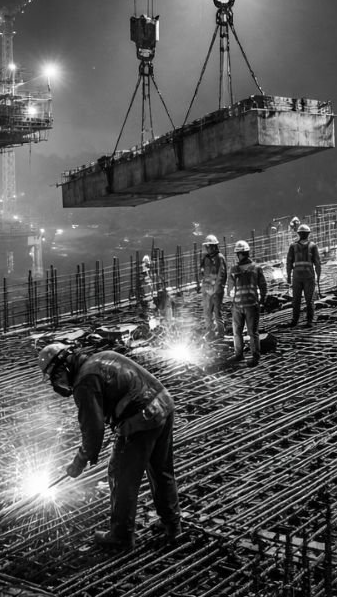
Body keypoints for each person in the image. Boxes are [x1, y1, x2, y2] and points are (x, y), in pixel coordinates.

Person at [41, 344, 179, 550]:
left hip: (140, 420)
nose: (60, 385)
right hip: (164, 405)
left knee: (120, 476)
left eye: (57, 378)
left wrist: (80, 460)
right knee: (161, 470)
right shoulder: (100, 357)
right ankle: (172, 525)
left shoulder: (84, 382)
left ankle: (121, 536)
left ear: (64, 368)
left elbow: (93, 429)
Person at [227, 240, 268, 366]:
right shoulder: (256, 268)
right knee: (253, 332)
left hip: (238, 306)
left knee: (237, 332)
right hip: (252, 305)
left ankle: (239, 354)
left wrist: (233, 298)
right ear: (247, 252)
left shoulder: (233, 270)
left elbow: (229, 290)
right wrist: (262, 300)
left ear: (238, 254)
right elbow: (263, 286)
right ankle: (255, 356)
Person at [286, 224, 322, 328]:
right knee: (309, 299)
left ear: (299, 234)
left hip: (297, 277)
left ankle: (295, 320)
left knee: (296, 300)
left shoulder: (294, 246)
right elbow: (317, 263)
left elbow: (289, 262)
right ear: (308, 234)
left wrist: (288, 275)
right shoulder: (312, 246)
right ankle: (309, 320)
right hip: (308, 277)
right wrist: (318, 277)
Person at [198, 235, 227, 336]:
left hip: (216, 291)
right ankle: (210, 333)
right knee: (207, 313)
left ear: (214, 246)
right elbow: (202, 272)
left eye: (209, 246)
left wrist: (216, 289)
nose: (207, 248)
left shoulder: (220, 258)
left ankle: (221, 334)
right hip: (207, 290)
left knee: (217, 312)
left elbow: (221, 275)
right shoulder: (205, 258)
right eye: (207, 246)